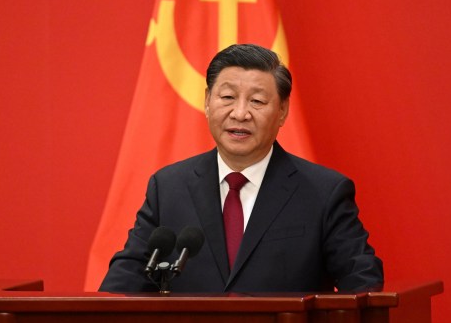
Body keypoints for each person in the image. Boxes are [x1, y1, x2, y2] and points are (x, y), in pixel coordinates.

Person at [100, 43, 383, 293]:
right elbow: (126, 279)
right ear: (207, 102)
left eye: (257, 101)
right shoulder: (168, 187)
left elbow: (363, 283)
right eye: (227, 98)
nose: (240, 113)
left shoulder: (324, 192)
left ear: (282, 110)